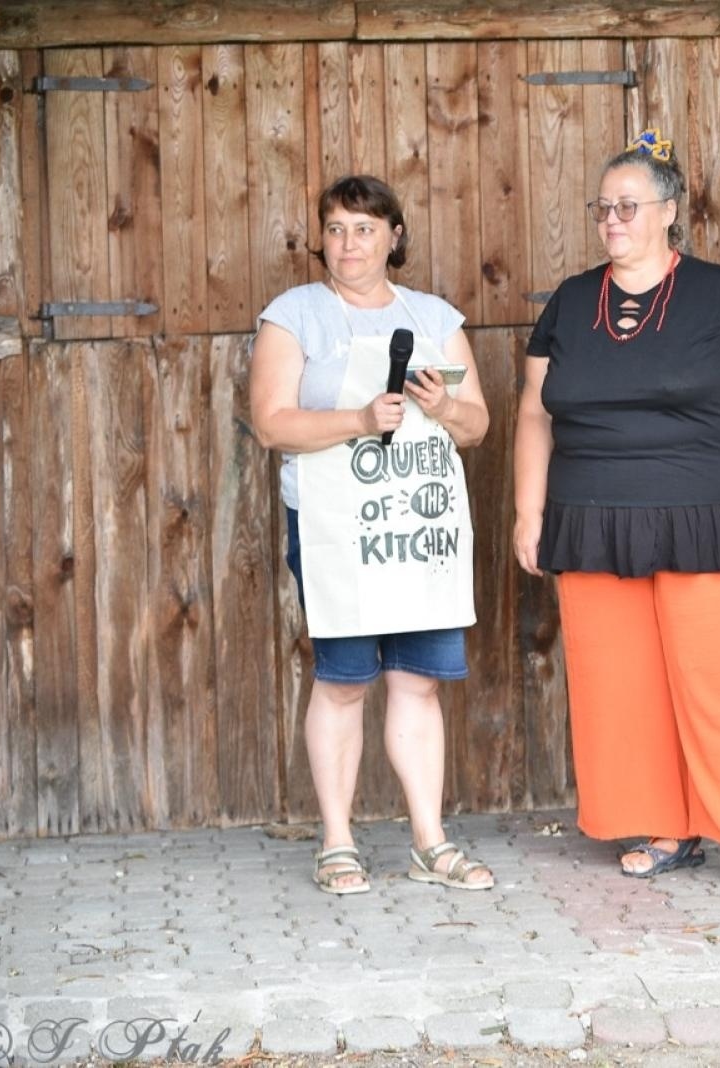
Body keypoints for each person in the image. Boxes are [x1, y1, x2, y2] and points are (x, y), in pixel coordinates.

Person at [513, 130, 720, 889]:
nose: (613, 219)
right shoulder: (570, 302)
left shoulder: (717, 290)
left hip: (699, 511)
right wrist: (527, 514)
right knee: (620, 686)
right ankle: (665, 827)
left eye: (628, 206)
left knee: (713, 677)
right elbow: (534, 414)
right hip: (590, 515)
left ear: (669, 211)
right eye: (604, 207)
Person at [249, 175, 496, 895]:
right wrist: (358, 421)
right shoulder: (295, 314)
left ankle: (430, 841)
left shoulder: (433, 315)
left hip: (415, 525)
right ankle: (337, 843)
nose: (348, 243)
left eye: (363, 228)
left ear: (394, 237)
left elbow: (476, 426)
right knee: (346, 680)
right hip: (336, 527)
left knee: (417, 684)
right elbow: (271, 422)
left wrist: (443, 403)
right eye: (335, 228)